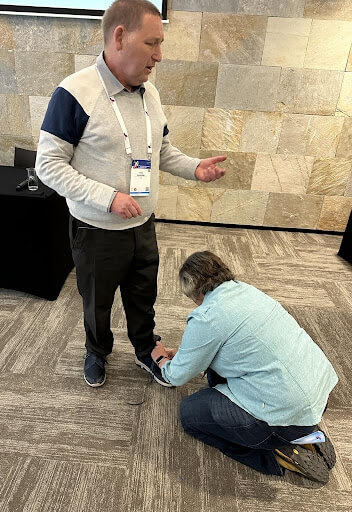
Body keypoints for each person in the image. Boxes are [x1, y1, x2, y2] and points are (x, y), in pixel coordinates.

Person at [35, 0, 226, 388]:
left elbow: (162, 150)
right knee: (97, 303)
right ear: (119, 37)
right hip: (97, 231)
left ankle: (144, 348)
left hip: (143, 226)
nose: (159, 55)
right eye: (152, 43)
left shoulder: (149, 93)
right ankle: (97, 350)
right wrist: (108, 198)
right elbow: (49, 166)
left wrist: (195, 168)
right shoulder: (74, 93)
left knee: (143, 296)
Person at [151, 251, 338, 484]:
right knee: (224, 370)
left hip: (283, 416)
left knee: (190, 414)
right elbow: (239, 343)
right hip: (318, 393)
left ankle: (273, 453)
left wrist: (160, 359)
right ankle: (306, 431)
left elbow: (176, 376)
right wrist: (187, 354)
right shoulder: (248, 291)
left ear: (195, 291)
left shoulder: (207, 317)